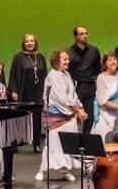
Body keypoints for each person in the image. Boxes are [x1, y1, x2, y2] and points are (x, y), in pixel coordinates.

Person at [36, 50, 87, 181]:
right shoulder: (53, 76)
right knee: (53, 143)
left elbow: (73, 95)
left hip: (69, 114)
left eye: (68, 59)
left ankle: (65, 170)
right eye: (65, 59)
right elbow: (62, 99)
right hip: (56, 115)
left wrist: (80, 107)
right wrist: (77, 110)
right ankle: (42, 169)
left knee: (68, 143)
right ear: (57, 61)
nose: (68, 61)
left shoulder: (67, 74)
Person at [10, 33, 48, 153]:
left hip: (37, 93)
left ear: (35, 43)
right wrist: (13, 90)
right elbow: (13, 74)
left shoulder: (40, 57)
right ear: (24, 44)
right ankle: (15, 143)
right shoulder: (18, 57)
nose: (30, 43)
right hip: (23, 93)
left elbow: (44, 74)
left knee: (37, 120)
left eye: (32, 41)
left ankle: (36, 144)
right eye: (27, 41)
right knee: (21, 119)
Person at [68, 26, 101, 134]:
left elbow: (98, 68)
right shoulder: (69, 52)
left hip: (90, 86)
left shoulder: (94, 50)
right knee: (76, 114)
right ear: (75, 36)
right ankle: (75, 140)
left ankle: (86, 140)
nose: (84, 36)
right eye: (81, 34)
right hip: (76, 86)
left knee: (89, 115)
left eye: (86, 33)